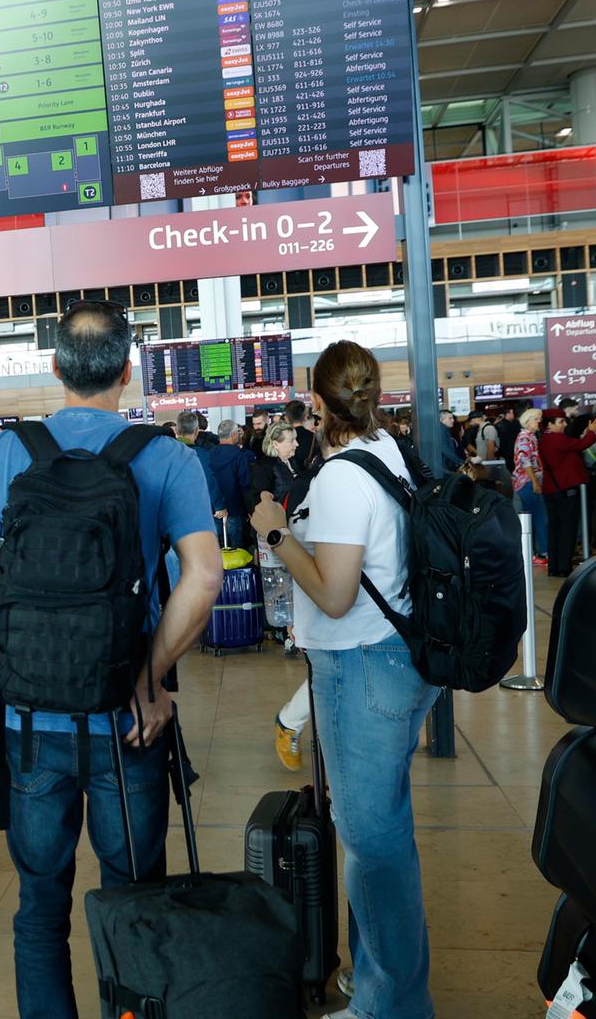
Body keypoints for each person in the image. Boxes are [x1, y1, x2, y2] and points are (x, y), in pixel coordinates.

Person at [0, 300, 220, 1018]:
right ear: (128, 372)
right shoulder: (164, 456)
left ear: (57, 369)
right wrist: (147, 675)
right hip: (127, 723)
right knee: (132, 901)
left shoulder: (7, 452)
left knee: (40, 905)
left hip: (27, 718)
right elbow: (204, 578)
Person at [248, 339, 440, 1019]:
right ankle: (376, 983)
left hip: (360, 666)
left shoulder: (340, 480)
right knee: (379, 830)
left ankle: (392, 1006)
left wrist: (276, 533)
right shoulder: (391, 455)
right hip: (399, 660)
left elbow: (334, 593)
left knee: (372, 842)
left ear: (318, 401)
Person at [252, 422, 308, 771]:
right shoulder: (264, 471)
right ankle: (291, 722)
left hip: (299, 550)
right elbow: (263, 511)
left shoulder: (298, 468)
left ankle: (292, 722)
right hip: (282, 552)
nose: (298, 443)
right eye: (292, 439)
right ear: (277, 443)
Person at [537, 408, 596, 577]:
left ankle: (555, 566)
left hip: (551, 488)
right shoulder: (557, 439)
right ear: (550, 424)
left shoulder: (545, 439)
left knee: (555, 528)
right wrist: (592, 432)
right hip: (564, 489)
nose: (565, 424)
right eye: (561, 421)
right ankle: (564, 566)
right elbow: (581, 444)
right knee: (567, 528)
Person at [206, 419, 254, 549]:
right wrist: (250, 509)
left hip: (214, 512)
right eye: (238, 432)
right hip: (235, 510)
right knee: (237, 552)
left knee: (217, 552)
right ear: (233, 435)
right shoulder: (240, 456)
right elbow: (245, 484)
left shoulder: (208, 455)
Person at [512, 409, 549, 564]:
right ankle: (543, 553)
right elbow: (525, 460)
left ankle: (536, 552)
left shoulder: (531, 437)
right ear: (528, 421)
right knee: (540, 517)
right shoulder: (525, 438)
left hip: (526, 481)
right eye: (536, 419)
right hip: (527, 482)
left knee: (534, 518)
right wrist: (534, 481)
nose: (539, 422)